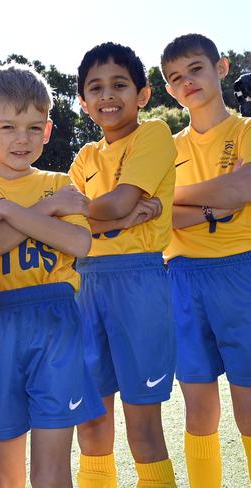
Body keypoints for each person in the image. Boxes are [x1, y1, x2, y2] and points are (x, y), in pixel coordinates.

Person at [0, 62, 105, 488]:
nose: (22, 139)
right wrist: (42, 211)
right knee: (4, 474)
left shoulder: (61, 182)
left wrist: (3, 210)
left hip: (57, 322)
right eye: (9, 127)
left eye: (34, 128)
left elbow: (79, 244)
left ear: (48, 130)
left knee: (53, 471)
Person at [68, 42, 178, 488]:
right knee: (91, 423)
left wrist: (110, 214)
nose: (107, 95)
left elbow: (117, 203)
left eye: (119, 84)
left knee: (142, 424)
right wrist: (113, 217)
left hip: (139, 282)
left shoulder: (153, 135)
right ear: (82, 101)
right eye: (95, 87)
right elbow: (66, 223)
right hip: (84, 285)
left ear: (143, 94)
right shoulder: (85, 157)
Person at [161, 33, 251, 487]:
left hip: (241, 271)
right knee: (197, 410)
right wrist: (214, 207)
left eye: (195, 69)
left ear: (221, 68)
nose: (186, 81)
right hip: (180, 278)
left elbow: (243, 189)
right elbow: (155, 214)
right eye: (175, 77)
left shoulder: (247, 131)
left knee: (249, 406)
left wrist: (175, 202)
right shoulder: (165, 148)